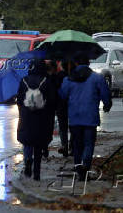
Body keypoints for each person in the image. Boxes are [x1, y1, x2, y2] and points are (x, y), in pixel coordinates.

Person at [59, 53, 112, 181]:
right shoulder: (97, 78)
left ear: (76, 63)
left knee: (77, 145)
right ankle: (85, 166)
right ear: (88, 63)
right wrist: (107, 104)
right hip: (90, 117)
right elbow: (105, 94)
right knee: (88, 144)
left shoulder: (68, 79)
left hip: (75, 118)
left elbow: (62, 95)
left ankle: (78, 169)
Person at [17, 59, 57, 181]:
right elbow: (52, 100)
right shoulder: (47, 81)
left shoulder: (24, 81)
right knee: (39, 144)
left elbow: (19, 99)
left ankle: (28, 160)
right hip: (42, 118)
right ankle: (37, 174)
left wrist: (23, 111)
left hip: (27, 116)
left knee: (27, 142)